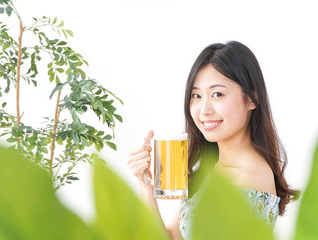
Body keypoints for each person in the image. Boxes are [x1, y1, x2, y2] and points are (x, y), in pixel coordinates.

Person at [127, 41, 298, 239]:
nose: (204, 110)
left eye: (217, 94)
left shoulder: (247, 178)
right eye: (196, 95)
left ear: (252, 99)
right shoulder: (215, 170)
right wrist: (146, 184)